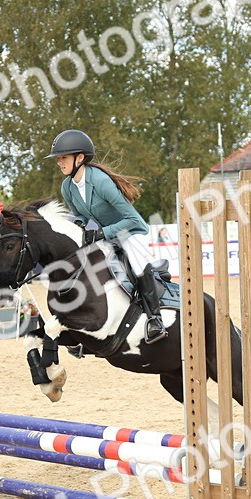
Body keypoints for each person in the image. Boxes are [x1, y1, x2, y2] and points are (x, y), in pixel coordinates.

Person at [48, 129, 168, 344]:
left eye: (63, 157)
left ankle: (155, 319)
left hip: (131, 234)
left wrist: (102, 232)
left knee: (137, 265)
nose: (59, 162)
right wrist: (78, 225)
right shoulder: (67, 187)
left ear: (80, 158)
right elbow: (81, 216)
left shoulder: (101, 182)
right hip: (107, 235)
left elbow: (135, 220)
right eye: (58, 158)